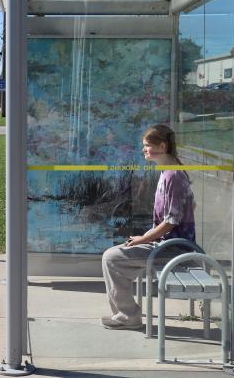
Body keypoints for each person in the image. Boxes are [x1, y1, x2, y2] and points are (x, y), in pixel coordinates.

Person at [100, 124, 196, 330]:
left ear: (162, 146)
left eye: (146, 145)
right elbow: (189, 207)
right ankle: (125, 314)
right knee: (117, 256)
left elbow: (171, 221)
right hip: (167, 245)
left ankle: (128, 317)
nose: (143, 149)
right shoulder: (169, 173)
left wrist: (143, 239)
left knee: (112, 258)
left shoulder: (172, 176)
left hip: (173, 249)